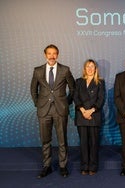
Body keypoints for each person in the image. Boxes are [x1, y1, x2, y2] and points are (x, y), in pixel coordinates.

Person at [30, 44, 75, 178]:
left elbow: (73, 88)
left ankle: (63, 166)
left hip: (60, 110)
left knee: (62, 140)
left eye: (54, 53)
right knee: (45, 140)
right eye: (49, 53)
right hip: (44, 110)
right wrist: (38, 104)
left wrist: (66, 103)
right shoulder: (38, 70)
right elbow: (33, 89)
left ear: (58, 55)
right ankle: (47, 165)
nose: (52, 56)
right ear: (45, 55)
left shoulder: (65, 70)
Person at [73, 59, 105, 176]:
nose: (90, 69)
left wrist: (90, 111)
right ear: (84, 69)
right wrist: (83, 111)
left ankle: (93, 166)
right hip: (81, 116)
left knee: (93, 143)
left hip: (94, 116)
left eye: (92, 66)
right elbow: (75, 98)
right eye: (88, 66)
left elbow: (101, 99)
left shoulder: (100, 82)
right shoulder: (78, 82)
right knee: (83, 144)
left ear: (95, 69)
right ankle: (84, 166)